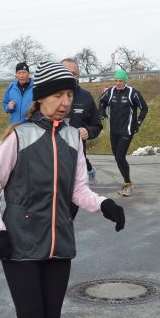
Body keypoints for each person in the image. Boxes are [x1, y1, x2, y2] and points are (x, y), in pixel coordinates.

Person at [0, 61, 125, 318]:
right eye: (57, 95)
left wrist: (105, 205)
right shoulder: (19, 136)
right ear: (41, 97)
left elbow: (78, 190)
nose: (64, 102)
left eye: (69, 95)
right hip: (19, 240)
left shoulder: (73, 137)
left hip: (60, 239)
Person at [61, 57, 102, 217]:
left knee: (72, 208)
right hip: (50, 159)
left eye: (74, 73)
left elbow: (97, 125)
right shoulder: (47, 95)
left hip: (76, 160)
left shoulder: (85, 97)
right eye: (66, 72)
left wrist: (88, 131)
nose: (71, 76)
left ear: (78, 76)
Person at [97, 69, 148, 196]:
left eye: (120, 81)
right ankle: (128, 182)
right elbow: (102, 102)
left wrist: (138, 123)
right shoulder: (110, 92)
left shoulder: (132, 92)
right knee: (117, 157)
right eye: (116, 80)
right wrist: (101, 112)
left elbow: (144, 108)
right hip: (114, 130)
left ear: (125, 81)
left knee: (120, 157)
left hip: (127, 130)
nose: (118, 83)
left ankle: (128, 183)